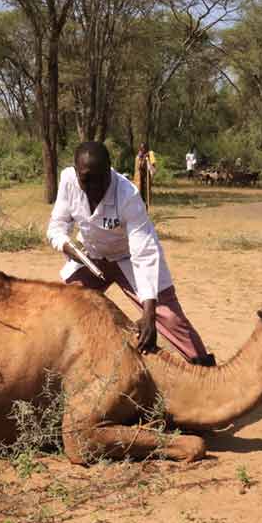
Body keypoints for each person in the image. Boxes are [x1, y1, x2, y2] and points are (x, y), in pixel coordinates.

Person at [48, 142, 216, 366]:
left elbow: (144, 253)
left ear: (110, 169)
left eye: (100, 177)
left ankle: (205, 368)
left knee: (170, 317)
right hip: (91, 256)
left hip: (128, 259)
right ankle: (62, 364)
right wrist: (68, 246)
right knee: (65, 305)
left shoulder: (128, 196)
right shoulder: (69, 180)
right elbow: (56, 227)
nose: (94, 186)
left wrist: (149, 315)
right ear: (77, 172)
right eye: (86, 178)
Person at [134, 142, 156, 207]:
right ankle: (141, 208)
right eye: (142, 148)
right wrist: (143, 158)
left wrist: (149, 159)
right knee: (140, 194)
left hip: (145, 178)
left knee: (146, 194)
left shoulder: (149, 156)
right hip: (139, 179)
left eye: (145, 148)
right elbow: (139, 167)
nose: (143, 149)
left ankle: (146, 207)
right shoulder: (138, 157)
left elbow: (153, 167)